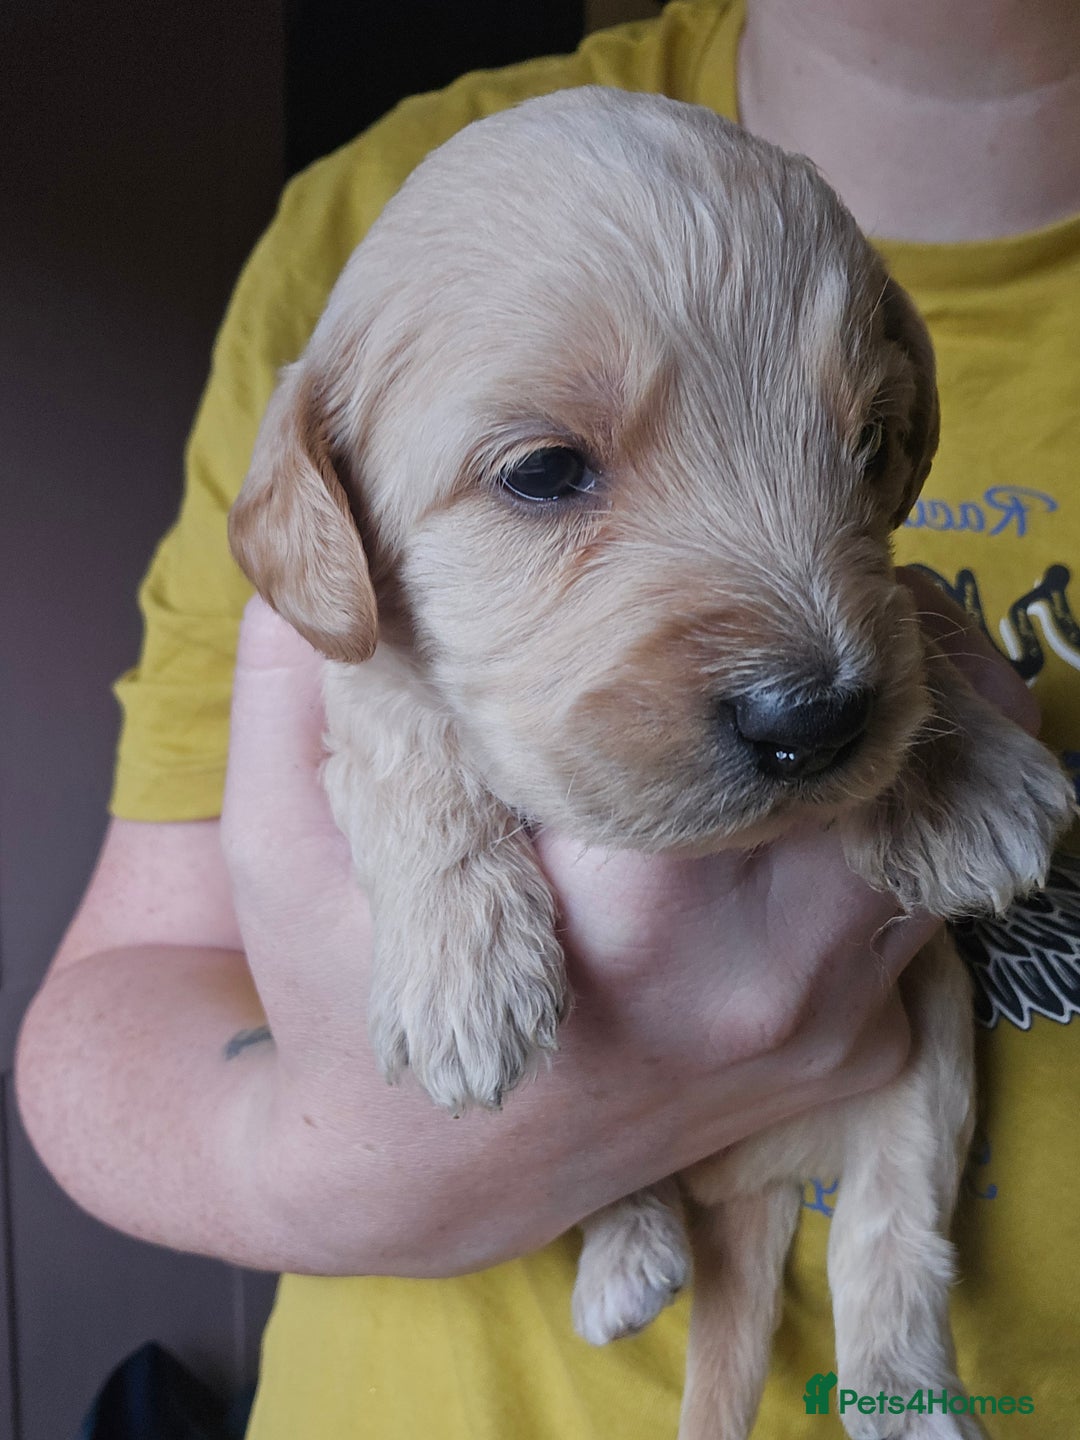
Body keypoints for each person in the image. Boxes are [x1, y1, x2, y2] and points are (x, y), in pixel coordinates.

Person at [17, 0, 1080, 1436]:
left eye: (860, 449)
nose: (811, 666)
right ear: (331, 509)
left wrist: (943, 746)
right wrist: (358, 1168)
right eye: (546, 474)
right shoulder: (362, 230)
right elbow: (113, 1001)